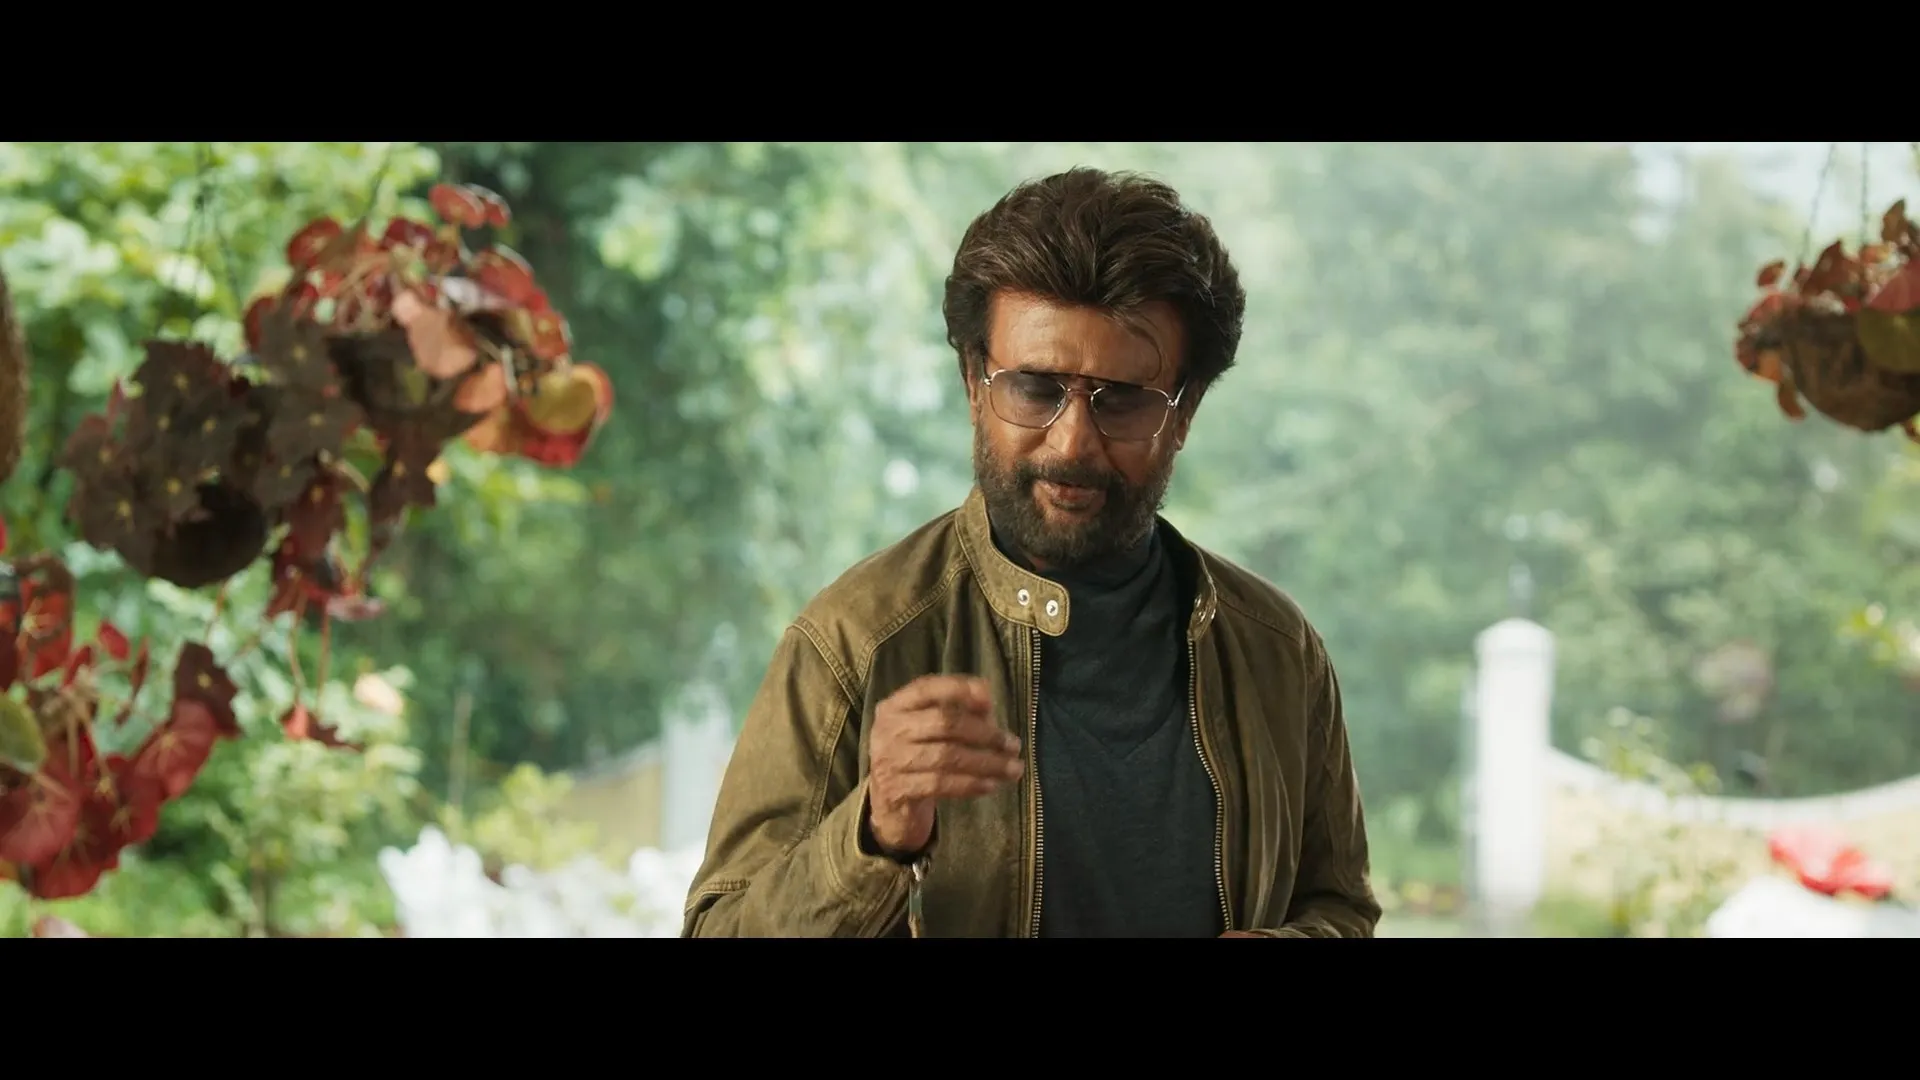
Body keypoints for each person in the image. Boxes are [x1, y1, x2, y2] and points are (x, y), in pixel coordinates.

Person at [681, 167, 1380, 938]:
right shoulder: (854, 640)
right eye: (1036, 389)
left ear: (1185, 414)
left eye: (1123, 401)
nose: (1072, 442)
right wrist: (875, 832)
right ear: (973, 383)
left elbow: (1341, 907)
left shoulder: (1279, 650)